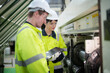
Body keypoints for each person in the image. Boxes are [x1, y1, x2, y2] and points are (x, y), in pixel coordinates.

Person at [15, 0, 53, 73]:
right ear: (36, 13)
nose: (45, 22)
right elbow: (35, 64)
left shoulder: (31, 31)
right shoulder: (27, 32)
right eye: (44, 17)